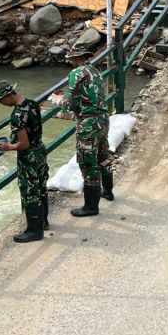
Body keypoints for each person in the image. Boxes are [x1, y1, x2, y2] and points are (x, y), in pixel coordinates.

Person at [0, 81, 49, 243]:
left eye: (1, 101)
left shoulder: (17, 116)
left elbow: (24, 144)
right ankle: (43, 222)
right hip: (40, 151)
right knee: (40, 186)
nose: (2, 104)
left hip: (28, 157)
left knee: (29, 191)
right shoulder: (31, 103)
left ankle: (34, 231)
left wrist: (8, 146)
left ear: (6, 96)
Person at [64, 48, 114, 217]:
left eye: (71, 58)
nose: (70, 61)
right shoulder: (96, 71)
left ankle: (91, 207)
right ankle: (107, 191)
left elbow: (71, 101)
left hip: (88, 123)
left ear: (76, 57)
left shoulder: (76, 73)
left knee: (87, 163)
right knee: (103, 155)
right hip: (102, 119)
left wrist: (61, 104)